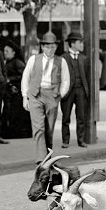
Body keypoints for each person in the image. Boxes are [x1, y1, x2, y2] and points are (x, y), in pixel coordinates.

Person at [21, 31, 70, 165]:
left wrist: (60, 94)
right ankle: (41, 159)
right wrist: (25, 96)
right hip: (35, 94)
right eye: (47, 46)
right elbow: (26, 77)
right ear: (42, 47)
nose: (50, 49)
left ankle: (48, 155)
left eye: (52, 46)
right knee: (38, 127)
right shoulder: (33, 59)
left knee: (49, 129)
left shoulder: (61, 61)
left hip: (52, 96)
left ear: (56, 47)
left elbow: (66, 80)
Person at [60, 32, 90, 149]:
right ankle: (65, 140)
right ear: (72, 44)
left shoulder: (84, 58)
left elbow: (87, 76)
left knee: (81, 117)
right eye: (79, 42)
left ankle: (81, 140)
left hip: (81, 91)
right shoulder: (63, 58)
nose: (82, 44)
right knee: (66, 116)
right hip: (68, 92)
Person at [1, 41, 30, 139]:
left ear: (14, 52)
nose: (5, 53)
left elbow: (24, 76)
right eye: (4, 51)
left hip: (16, 93)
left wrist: (10, 80)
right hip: (10, 92)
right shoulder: (8, 62)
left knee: (15, 114)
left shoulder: (17, 62)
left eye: (7, 51)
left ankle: (16, 133)